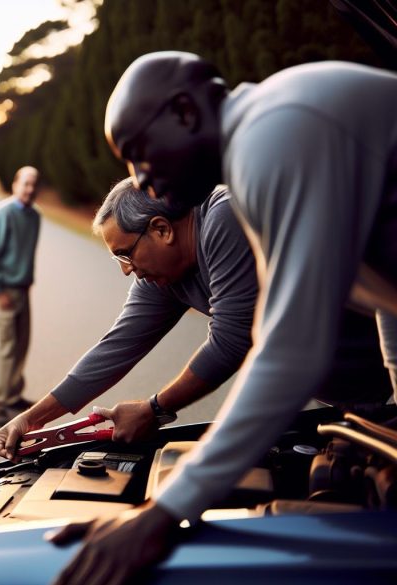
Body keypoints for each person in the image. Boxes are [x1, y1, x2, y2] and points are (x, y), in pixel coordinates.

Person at [50, 51, 397, 585]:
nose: (141, 180)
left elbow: (288, 349)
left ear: (185, 112)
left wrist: (166, 510)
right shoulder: (263, 143)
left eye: (139, 155)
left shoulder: (273, 137)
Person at [0, 178, 257, 452]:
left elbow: (232, 340)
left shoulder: (226, 217)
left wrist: (155, 409)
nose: (126, 270)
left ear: (162, 230)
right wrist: (30, 419)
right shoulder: (160, 274)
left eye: (125, 254)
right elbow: (116, 348)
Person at [0, 166, 42, 426]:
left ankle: (12, 396)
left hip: (23, 290)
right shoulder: (4, 212)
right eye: (25, 183)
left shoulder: (35, 216)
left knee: (20, 344)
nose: (30, 189)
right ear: (15, 184)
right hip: (4, 290)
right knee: (4, 347)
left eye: (34, 184)